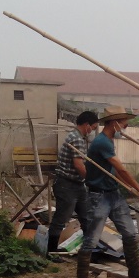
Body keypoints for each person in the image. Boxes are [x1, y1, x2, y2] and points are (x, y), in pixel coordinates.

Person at [76, 106, 139, 278]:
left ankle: (135, 271)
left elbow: (114, 170)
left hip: (113, 194)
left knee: (130, 234)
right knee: (91, 239)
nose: (126, 126)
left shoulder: (108, 141)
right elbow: (121, 169)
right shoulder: (102, 142)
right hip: (98, 196)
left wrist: (130, 187)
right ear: (114, 122)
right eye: (124, 122)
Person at [47, 110, 99, 258]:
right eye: (93, 128)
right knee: (61, 218)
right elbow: (78, 165)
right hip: (67, 184)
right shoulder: (76, 139)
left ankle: (89, 250)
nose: (92, 131)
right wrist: (91, 181)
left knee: (86, 217)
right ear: (87, 125)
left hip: (77, 184)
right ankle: (51, 252)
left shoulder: (77, 137)